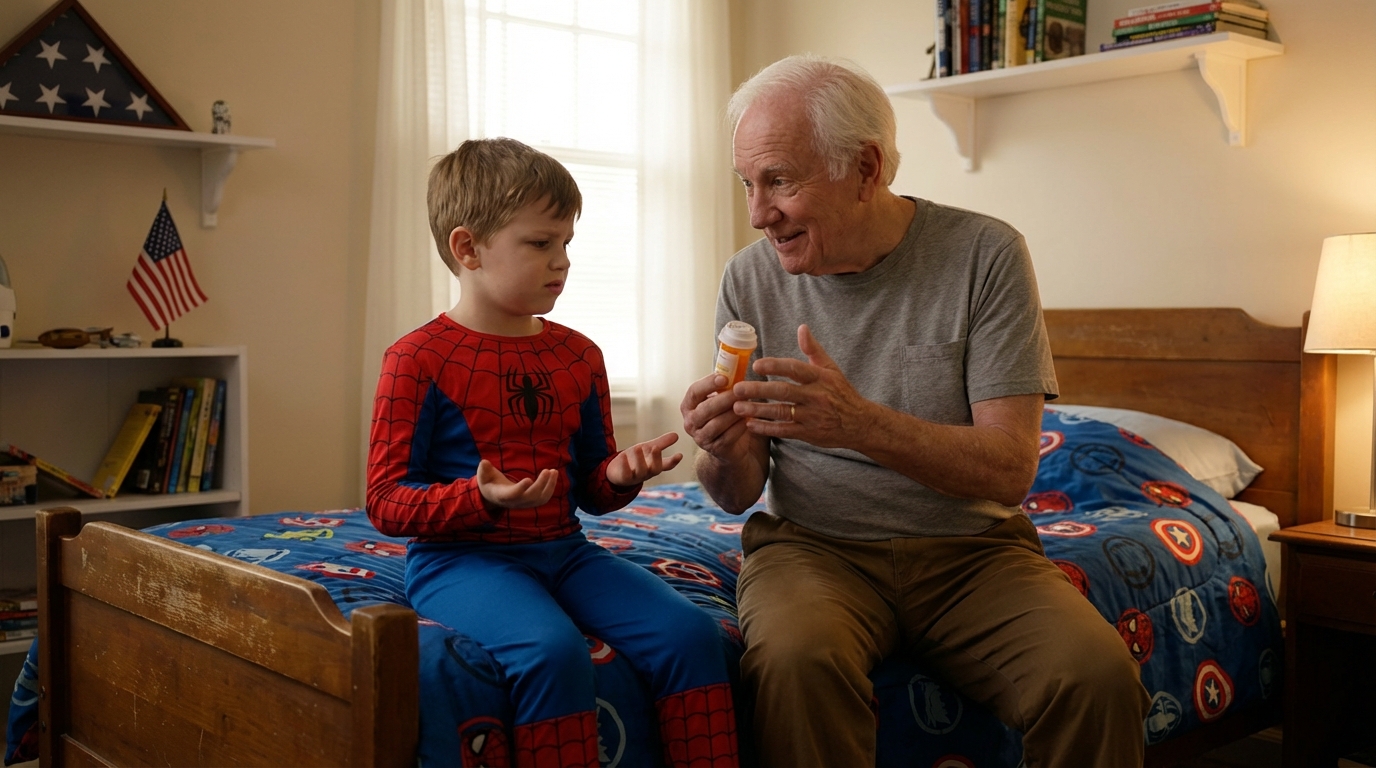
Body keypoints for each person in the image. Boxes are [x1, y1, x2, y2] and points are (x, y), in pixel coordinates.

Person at [680, 55, 1150, 767]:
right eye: (748, 183)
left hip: (973, 555)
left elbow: (1010, 469)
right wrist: (722, 448)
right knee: (797, 662)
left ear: (866, 168)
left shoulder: (985, 256)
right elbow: (737, 493)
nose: (758, 213)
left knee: (1094, 677)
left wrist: (858, 423)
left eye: (780, 181)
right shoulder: (749, 278)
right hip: (813, 549)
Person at [368, 138, 739, 768]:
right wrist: (479, 497)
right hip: (459, 562)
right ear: (467, 248)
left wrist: (619, 475)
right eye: (540, 243)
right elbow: (384, 501)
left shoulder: (579, 355)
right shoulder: (416, 358)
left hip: (566, 552)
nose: (562, 261)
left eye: (567, 242)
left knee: (692, 634)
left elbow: (591, 492)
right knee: (551, 650)